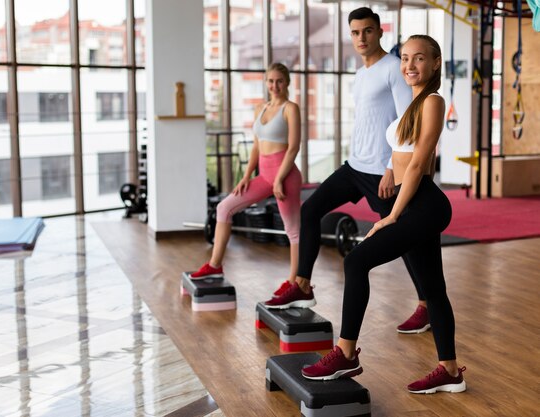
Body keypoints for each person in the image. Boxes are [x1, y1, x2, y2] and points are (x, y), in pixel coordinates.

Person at [300, 34, 466, 394]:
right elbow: (402, 151)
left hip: (423, 204)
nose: (409, 65)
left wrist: (392, 216)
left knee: (356, 262)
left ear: (436, 63)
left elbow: (421, 161)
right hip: (414, 201)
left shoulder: (434, 101)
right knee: (433, 289)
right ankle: (450, 370)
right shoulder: (412, 103)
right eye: (405, 58)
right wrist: (390, 169)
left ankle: (345, 353)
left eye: (419, 58)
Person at [265, 8, 428, 335]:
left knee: (405, 238)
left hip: (381, 173)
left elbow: (406, 121)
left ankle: (426, 305)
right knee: (310, 210)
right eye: (355, 33)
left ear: (379, 32)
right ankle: (303, 285)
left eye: (367, 31)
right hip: (355, 166)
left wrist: (390, 169)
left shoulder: (393, 70)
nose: (361, 38)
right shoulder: (359, 74)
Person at [188, 63, 310, 306]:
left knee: (293, 230)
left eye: (279, 81)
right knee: (224, 208)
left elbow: (294, 147)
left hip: (285, 175)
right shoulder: (260, 108)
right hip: (264, 175)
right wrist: (245, 177)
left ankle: (295, 281)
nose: (274, 86)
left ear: (287, 83)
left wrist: (279, 179)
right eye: (270, 81)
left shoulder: (290, 109)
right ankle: (214, 266)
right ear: (265, 83)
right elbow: (257, 145)